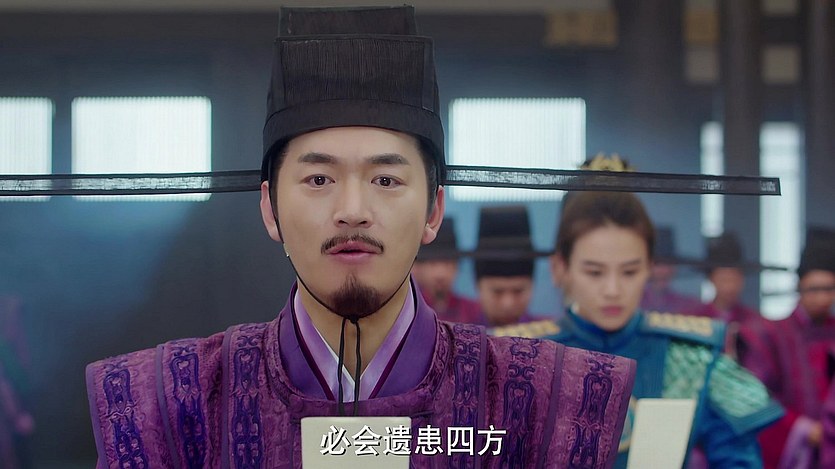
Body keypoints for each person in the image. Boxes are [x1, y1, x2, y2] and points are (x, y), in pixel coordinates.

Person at [85, 6, 636, 468]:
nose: (352, 211)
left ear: (434, 210)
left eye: (386, 180)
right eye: (318, 179)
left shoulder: (540, 400)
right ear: (270, 208)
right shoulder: (173, 404)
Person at [545, 191, 783, 468]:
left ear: (650, 267)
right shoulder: (527, 357)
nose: (612, 290)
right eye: (594, 273)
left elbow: (738, 458)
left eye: (629, 272)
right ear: (560, 268)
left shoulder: (690, 355)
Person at [739, 227, 835, 468]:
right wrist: (802, 428)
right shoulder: (773, 334)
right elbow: (756, 396)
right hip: (793, 450)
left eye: (829, 289)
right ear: (800, 287)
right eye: (814, 289)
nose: (822, 298)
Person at [692, 232, 775, 359]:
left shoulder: (755, 322)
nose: (729, 287)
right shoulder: (696, 320)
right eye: (723, 279)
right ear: (711, 279)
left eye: (734, 279)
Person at [473, 206, 546, 327]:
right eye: (497, 292)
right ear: (478, 287)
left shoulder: (549, 334)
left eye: (518, 291)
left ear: (532, 286)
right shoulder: (459, 336)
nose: (508, 304)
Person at [411, 218, 481, 323]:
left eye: (447, 264)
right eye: (433, 264)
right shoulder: (411, 310)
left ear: (456, 267)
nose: (440, 274)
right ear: (419, 268)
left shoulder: (472, 311)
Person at [640, 226, 703, 315]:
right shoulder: (633, 302)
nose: (664, 271)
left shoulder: (687, 304)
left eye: (668, 264)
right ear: (648, 267)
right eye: (658, 265)